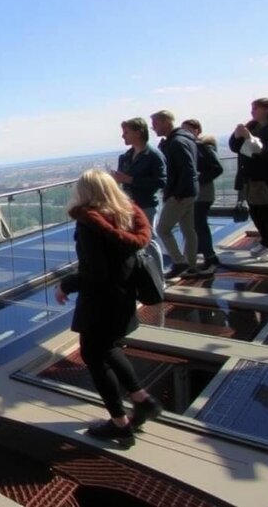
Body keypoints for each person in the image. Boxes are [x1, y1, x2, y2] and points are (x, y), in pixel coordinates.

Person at [55, 170, 162, 447]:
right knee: (109, 349)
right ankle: (142, 400)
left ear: (85, 192)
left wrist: (65, 284)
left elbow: (95, 273)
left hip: (100, 303)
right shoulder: (128, 215)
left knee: (93, 356)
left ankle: (119, 424)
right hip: (124, 298)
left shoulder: (90, 224)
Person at [230, 98, 268, 262]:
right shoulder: (253, 126)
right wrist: (237, 136)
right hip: (251, 178)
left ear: (267, 109)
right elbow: (235, 147)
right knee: (256, 212)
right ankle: (265, 242)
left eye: (256, 108)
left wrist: (249, 138)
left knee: (267, 213)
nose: (252, 112)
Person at [152, 110, 199, 279]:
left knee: (162, 229)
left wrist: (177, 193)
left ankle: (179, 262)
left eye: (155, 124)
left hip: (180, 194)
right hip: (190, 191)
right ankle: (191, 265)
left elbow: (186, 169)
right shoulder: (184, 139)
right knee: (188, 230)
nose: (153, 128)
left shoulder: (176, 142)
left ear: (166, 122)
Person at [113, 117, 166, 266]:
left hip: (146, 204)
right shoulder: (126, 157)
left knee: (149, 240)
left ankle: (157, 275)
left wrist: (130, 180)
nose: (123, 136)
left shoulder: (153, 156)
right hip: (129, 205)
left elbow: (161, 181)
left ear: (138, 133)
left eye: (126, 132)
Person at [182, 119, 223, 274]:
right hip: (197, 192)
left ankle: (210, 257)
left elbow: (217, 168)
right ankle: (201, 254)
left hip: (203, 193)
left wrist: (198, 180)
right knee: (195, 225)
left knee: (199, 224)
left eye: (188, 130)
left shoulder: (203, 146)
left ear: (197, 130)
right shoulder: (194, 146)